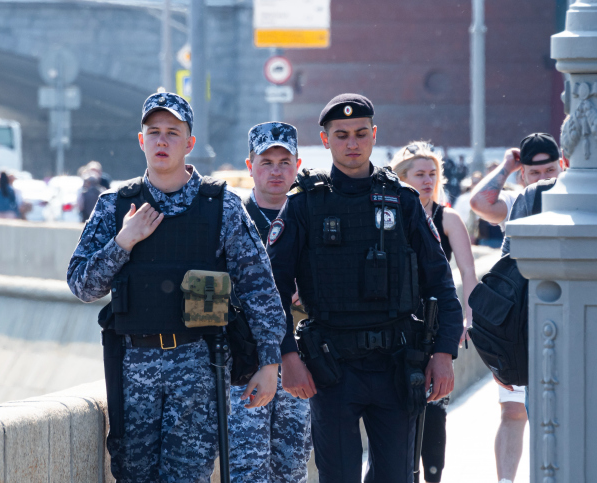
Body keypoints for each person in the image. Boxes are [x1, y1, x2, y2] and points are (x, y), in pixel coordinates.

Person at [67, 92, 285, 482]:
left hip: (199, 368)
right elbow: (82, 285)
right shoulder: (115, 207)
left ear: (190, 143)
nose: (162, 141)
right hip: (134, 369)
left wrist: (269, 363)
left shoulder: (221, 206)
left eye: (173, 132)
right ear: (141, 140)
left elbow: (260, 289)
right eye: (154, 132)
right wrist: (123, 242)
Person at [267, 93, 462, 483]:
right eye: (341, 135)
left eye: (360, 133)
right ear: (325, 140)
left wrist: (443, 353)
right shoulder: (305, 205)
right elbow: (273, 290)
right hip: (331, 367)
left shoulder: (403, 201)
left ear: (374, 135)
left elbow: (440, 282)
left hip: (396, 363)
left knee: (396, 477)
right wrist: (287, 357)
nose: (352, 143)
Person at [469, 132, 564, 483]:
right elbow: (479, 202)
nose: (543, 179)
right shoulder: (519, 199)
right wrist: (507, 166)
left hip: (553, 317)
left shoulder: (571, 196)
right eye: (534, 173)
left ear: (563, 165)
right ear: (523, 174)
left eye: (550, 170)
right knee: (514, 412)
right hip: (522, 324)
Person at [228, 122, 313, 483]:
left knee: (291, 468)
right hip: (245, 362)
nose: (276, 171)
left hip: (300, 360)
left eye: (284, 162)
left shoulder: (312, 216)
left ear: (297, 166)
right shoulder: (232, 219)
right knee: (247, 470)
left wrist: (310, 291)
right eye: (266, 162)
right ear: (250, 166)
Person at [390, 141, 479, 482]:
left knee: (434, 408)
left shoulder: (447, 218)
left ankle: (432, 475)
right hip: (395, 322)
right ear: (402, 178)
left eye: (432, 174)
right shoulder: (387, 215)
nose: (428, 181)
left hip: (435, 321)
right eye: (420, 175)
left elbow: (468, 273)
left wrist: (469, 317)